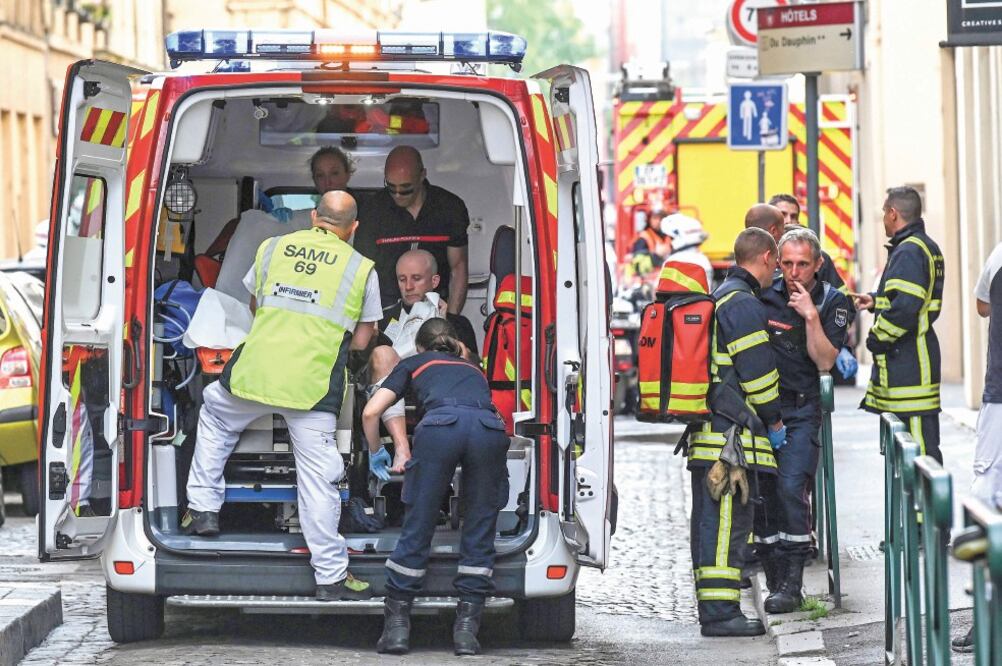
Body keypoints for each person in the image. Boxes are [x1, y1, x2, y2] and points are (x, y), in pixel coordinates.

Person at [184, 191, 381, 601]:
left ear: (314, 217)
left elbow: (255, 306)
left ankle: (204, 510)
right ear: (354, 228)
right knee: (319, 481)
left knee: (215, 417)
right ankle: (330, 578)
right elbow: (363, 339)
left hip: (257, 371)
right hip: (311, 388)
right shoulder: (362, 268)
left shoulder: (272, 247)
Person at [363, 319, 510, 656]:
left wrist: (375, 452)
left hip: (442, 427)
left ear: (419, 347)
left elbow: (372, 412)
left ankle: (397, 630)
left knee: (421, 520)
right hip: (488, 428)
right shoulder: (472, 368)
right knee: (480, 522)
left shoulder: (413, 363)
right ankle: (466, 634)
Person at [687, 223, 786, 638]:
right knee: (725, 525)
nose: (777, 273)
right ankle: (720, 614)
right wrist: (776, 419)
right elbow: (758, 374)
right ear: (766, 257)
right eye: (777, 264)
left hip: (715, 435)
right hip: (728, 443)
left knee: (715, 523)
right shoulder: (742, 303)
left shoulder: (723, 295)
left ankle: (719, 609)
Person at [756, 227, 851, 613]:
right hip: (765, 410)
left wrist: (811, 316)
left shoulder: (833, 301)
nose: (795, 272)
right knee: (763, 493)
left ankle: (792, 584)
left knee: (792, 489)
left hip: (801, 409)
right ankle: (774, 577)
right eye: (788, 263)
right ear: (778, 262)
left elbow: (825, 361)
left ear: (818, 264)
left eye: (803, 264)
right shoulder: (764, 296)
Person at [366, 249, 480, 474]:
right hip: (393, 390)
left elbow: (474, 368)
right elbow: (368, 366)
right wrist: (371, 335)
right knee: (382, 353)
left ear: (434, 281)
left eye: (416, 278)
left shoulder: (458, 322)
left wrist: (444, 326)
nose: (408, 286)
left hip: (444, 395)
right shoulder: (383, 318)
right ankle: (402, 447)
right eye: (402, 279)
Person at [854, 186, 945, 462]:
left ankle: (925, 508)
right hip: (912, 368)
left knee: (918, 459)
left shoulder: (909, 251)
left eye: (884, 212)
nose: (883, 218)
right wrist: (875, 300)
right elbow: (907, 301)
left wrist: (876, 338)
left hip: (910, 373)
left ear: (893, 213)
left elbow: (905, 309)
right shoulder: (919, 247)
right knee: (915, 456)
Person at [214, 145, 355, 305]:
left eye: (334, 173)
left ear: (347, 174)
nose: (328, 181)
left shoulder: (370, 213)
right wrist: (272, 223)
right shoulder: (308, 217)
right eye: (320, 175)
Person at [953, 239, 1002, 653]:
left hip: (1000, 400)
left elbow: (982, 306)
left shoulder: (999, 256)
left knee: (987, 499)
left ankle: (987, 616)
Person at [356, 145, 470, 314]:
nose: (398, 195)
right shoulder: (373, 210)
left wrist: (451, 318)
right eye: (391, 187)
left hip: (436, 306)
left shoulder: (449, 207)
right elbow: (362, 270)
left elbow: (458, 267)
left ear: (422, 176)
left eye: (406, 189)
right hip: (385, 308)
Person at [763, 194, 859, 381]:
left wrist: (838, 344)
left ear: (817, 264)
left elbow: (843, 306)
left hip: (809, 380)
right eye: (783, 215)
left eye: (794, 215)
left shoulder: (820, 262)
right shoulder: (760, 262)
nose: (794, 272)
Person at [659, 212, 712, 287]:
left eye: (670, 238)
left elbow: (661, 292)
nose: (666, 242)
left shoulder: (673, 261)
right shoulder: (702, 259)